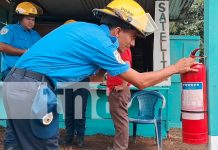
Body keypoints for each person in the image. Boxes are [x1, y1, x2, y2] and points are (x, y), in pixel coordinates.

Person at [3, 0, 197, 149]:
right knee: (45, 145)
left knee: (16, 145)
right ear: (118, 31)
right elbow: (140, 81)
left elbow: (89, 70)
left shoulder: (88, 32)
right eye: (133, 36)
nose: (133, 44)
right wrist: (175, 68)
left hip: (18, 83)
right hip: (33, 88)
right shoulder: (101, 43)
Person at [0, 2, 43, 150]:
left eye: (33, 19)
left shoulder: (35, 35)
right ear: (20, 18)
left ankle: (24, 143)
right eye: (28, 19)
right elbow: (2, 46)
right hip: (13, 74)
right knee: (16, 112)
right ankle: (11, 145)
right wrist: (24, 52)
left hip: (31, 76)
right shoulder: (9, 30)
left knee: (28, 112)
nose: (32, 22)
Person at [107, 48, 132, 150]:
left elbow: (127, 65)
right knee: (119, 123)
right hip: (116, 90)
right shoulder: (119, 49)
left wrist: (123, 85)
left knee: (121, 122)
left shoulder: (123, 49)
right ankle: (118, 147)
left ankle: (120, 148)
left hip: (119, 92)